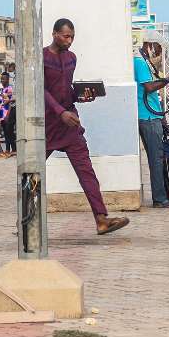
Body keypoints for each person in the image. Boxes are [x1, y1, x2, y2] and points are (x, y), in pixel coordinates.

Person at [45, 19, 129, 234]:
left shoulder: (72, 58)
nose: (70, 40)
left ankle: (101, 219)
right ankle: (26, 223)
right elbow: (41, 91)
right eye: (65, 36)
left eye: (72, 36)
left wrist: (82, 96)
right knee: (31, 173)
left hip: (70, 125)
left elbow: (67, 90)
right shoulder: (42, 58)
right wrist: (59, 112)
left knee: (86, 171)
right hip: (46, 125)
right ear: (54, 34)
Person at [134, 40, 169, 208]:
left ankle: (165, 195)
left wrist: (162, 119)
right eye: (158, 50)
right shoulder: (140, 62)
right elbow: (149, 88)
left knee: (162, 157)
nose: (158, 55)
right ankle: (160, 198)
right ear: (149, 46)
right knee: (156, 158)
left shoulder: (146, 63)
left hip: (154, 116)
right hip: (147, 117)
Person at [0, 72, 16, 158]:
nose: (2, 80)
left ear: (7, 79)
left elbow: (12, 102)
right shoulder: (2, 90)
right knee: (6, 133)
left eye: (3, 79)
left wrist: (8, 114)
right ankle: (8, 149)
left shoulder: (9, 89)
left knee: (9, 132)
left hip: (9, 114)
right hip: (2, 114)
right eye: (1, 79)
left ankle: (14, 149)